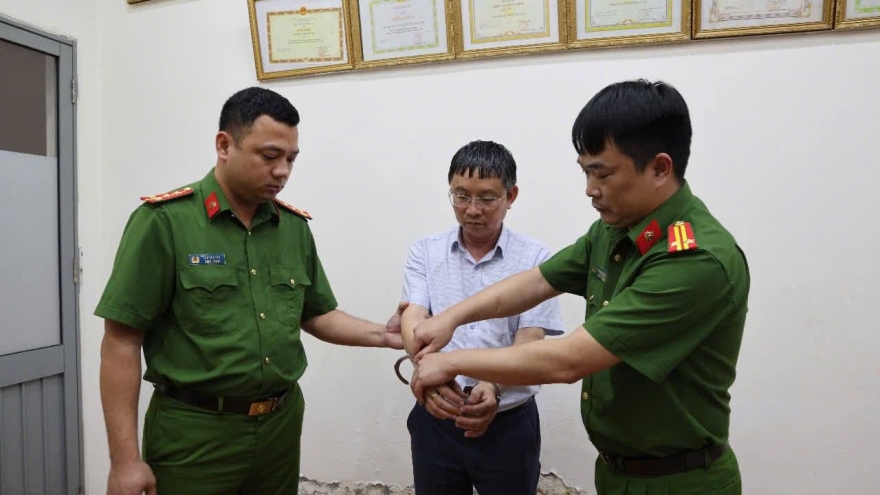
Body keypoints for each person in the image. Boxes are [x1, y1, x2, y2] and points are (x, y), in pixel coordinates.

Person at [407, 80, 750, 495]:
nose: (589, 188)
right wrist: (452, 318)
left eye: (601, 173)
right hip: (618, 471)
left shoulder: (694, 260)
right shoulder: (614, 229)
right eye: (585, 171)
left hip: (680, 480)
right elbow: (538, 281)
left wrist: (452, 362)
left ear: (660, 168)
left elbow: (568, 361)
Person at [95, 87, 403, 495]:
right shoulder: (165, 222)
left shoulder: (292, 227)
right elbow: (121, 341)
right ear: (224, 145)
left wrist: (385, 335)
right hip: (195, 433)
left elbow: (316, 314)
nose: (282, 171)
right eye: (269, 156)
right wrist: (124, 462)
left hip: (279, 425)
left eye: (291, 159)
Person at [399, 140, 563, 495]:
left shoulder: (536, 258)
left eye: (487, 198)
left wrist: (494, 385)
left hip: (508, 423)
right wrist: (429, 374)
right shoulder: (426, 250)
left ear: (511, 195)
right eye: (461, 196)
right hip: (437, 416)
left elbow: (530, 339)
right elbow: (413, 317)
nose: (472, 210)